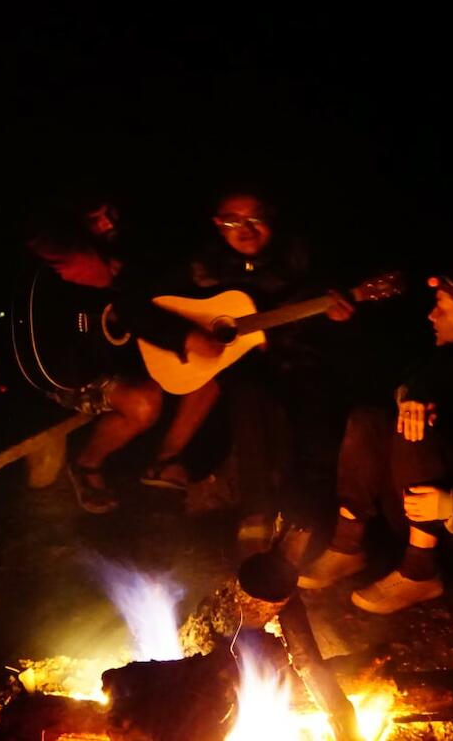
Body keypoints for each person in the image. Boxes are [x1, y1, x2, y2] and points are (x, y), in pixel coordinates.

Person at [297, 274, 453, 614]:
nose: (431, 316)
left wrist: (450, 504)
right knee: (370, 418)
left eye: (441, 308)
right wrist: (415, 396)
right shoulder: (445, 364)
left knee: (415, 429)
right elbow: (404, 391)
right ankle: (347, 546)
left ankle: (420, 572)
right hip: (423, 517)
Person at [142, 188, 354, 549]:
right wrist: (186, 336)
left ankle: (307, 524)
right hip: (240, 368)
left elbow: (324, 316)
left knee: (313, 409)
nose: (246, 230)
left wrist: (338, 317)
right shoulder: (201, 266)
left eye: (255, 219)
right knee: (245, 391)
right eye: (232, 221)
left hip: (298, 359)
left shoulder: (301, 257)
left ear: (270, 220)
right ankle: (255, 512)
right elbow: (141, 309)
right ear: (217, 225)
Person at [24, 194, 220, 514]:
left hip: (114, 355)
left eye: (109, 212)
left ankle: (165, 460)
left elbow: (136, 298)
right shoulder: (64, 255)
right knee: (144, 403)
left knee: (210, 368)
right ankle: (86, 464)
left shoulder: (130, 242)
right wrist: (179, 336)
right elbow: (123, 303)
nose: (107, 223)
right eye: (93, 219)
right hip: (67, 370)